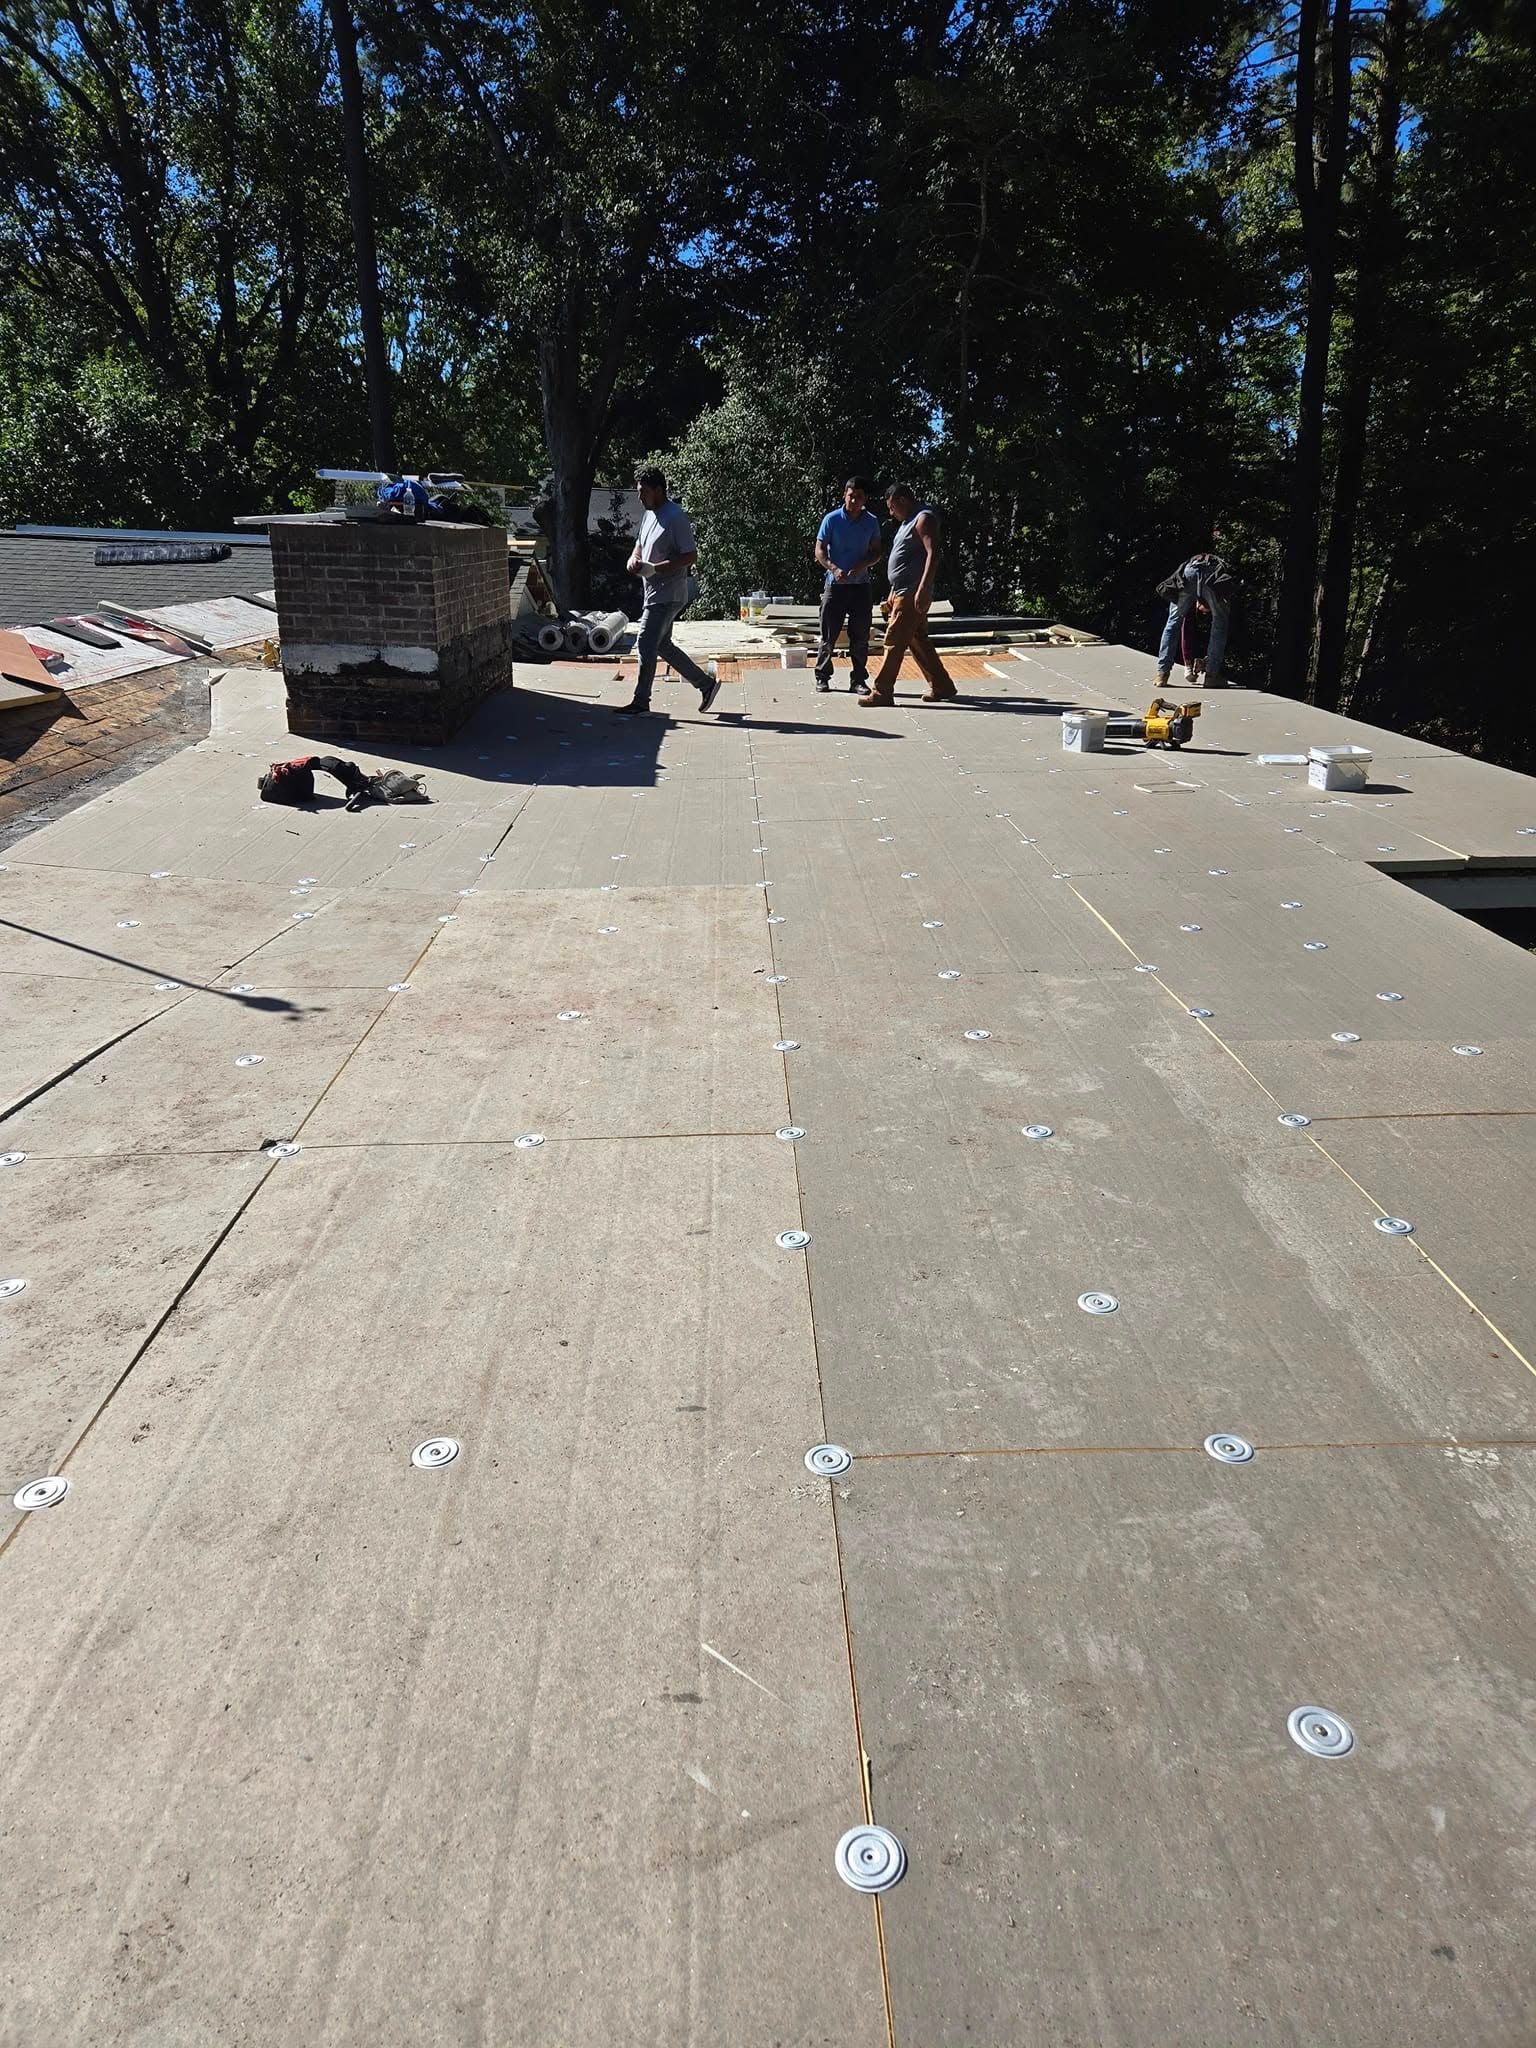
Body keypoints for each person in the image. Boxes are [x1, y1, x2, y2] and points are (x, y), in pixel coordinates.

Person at [617, 466, 721, 716]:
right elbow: (639, 544)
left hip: (669, 593)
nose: (640, 498)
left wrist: (656, 568)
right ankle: (706, 685)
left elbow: (691, 556)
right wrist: (634, 559)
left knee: (645, 641)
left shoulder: (676, 517)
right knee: (662, 645)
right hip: (653, 592)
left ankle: (641, 701)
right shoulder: (649, 515)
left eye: (643, 492)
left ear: (658, 490)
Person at [859, 484, 957, 706]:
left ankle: (882, 692)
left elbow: (933, 553)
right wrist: (893, 592)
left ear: (903, 500)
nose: (891, 513)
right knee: (917, 639)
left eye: (892, 507)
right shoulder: (907, 523)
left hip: (913, 592)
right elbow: (905, 560)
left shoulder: (924, 519)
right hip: (902, 591)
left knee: (893, 640)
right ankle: (942, 685)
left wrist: (924, 588)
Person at [813, 477, 884, 693]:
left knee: (860, 636)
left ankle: (858, 680)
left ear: (865, 499)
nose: (854, 501)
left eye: (859, 497)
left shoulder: (871, 521)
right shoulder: (832, 519)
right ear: (845, 494)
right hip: (835, 586)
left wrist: (863, 565)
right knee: (828, 634)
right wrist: (833, 569)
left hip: (860, 586)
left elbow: (877, 551)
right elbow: (819, 549)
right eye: (851, 496)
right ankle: (822, 677)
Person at [1155, 544, 1235, 688]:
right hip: (1213, 576)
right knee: (1219, 624)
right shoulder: (1221, 568)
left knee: (1173, 623)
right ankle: (1211, 676)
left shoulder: (1189, 562)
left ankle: (1162, 674)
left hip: (1189, 571)